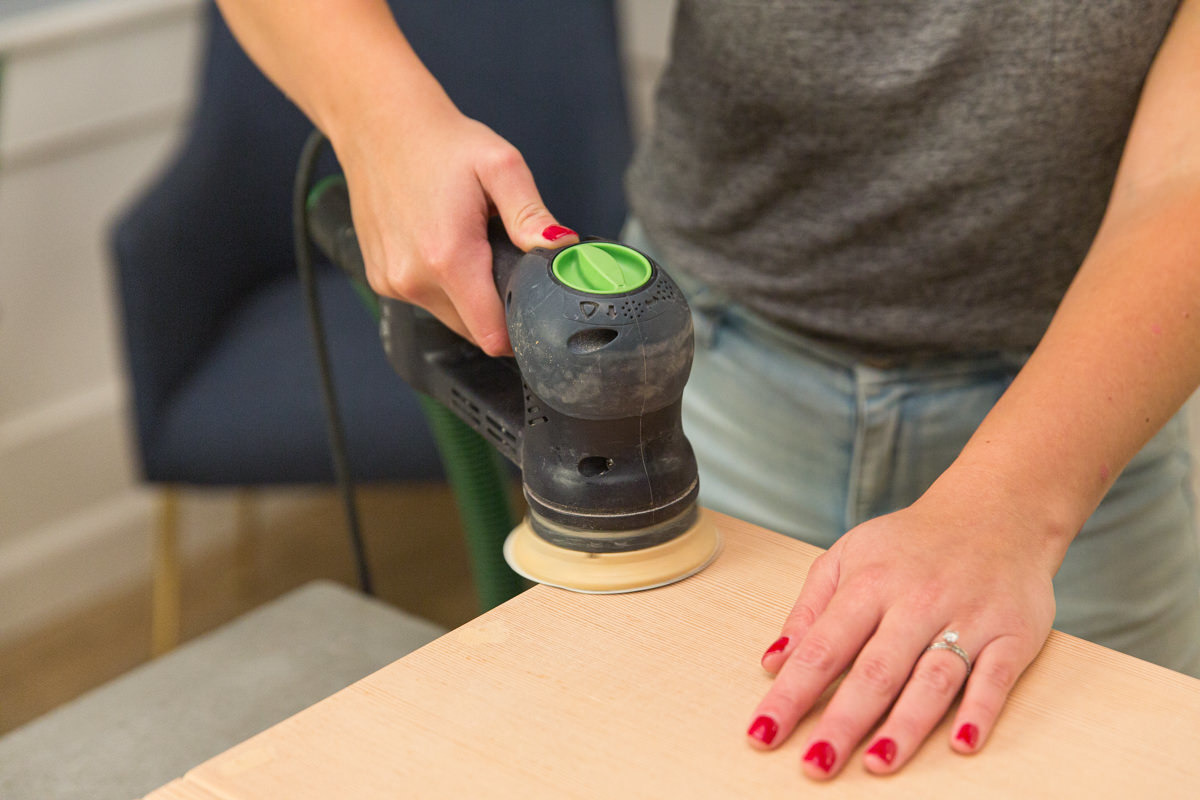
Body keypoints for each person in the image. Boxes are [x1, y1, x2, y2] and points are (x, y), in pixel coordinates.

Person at [214, 0, 1200, 780]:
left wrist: (1009, 512)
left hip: (1077, 426)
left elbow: (1183, 181)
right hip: (715, 386)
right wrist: (380, 115)